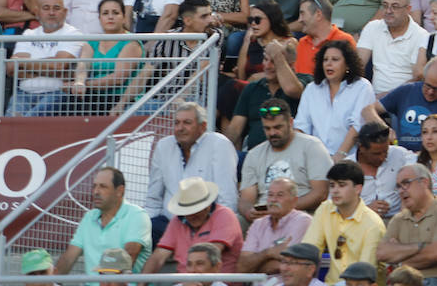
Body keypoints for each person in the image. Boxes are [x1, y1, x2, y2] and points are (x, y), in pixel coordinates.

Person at [144, 101, 238, 237]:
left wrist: (221, 228)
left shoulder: (219, 144)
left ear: (203, 126)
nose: (180, 128)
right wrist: (142, 226)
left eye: (187, 123)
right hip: (170, 224)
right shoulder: (163, 146)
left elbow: (227, 198)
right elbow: (154, 198)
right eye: (177, 123)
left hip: (206, 222)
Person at [55, 166, 152, 280]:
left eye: (103, 187)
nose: (96, 192)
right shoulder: (89, 217)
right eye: (94, 186)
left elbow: (129, 257)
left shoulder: (136, 215)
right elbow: (68, 258)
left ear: (120, 191)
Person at [239, 100, 332, 215]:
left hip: (301, 213)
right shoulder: (254, 154)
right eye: (267, 128)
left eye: (278, 127)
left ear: (291, 122)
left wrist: (283, 210)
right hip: (263, 215)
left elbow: (320, 193)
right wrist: (250, 212)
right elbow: (246, 199)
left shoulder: (311, 146)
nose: (272, 133)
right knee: (237, 221)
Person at [302, 160, 387, 285]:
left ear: (358, 189)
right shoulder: (325, 209)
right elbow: (309, 249)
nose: (335, 191)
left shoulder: (373, 224)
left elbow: (365, 272)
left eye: (341, 185)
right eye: (332, 185)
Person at [142, 176, 243, 275]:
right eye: (187, 211)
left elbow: (210, 255)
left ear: (207, 206)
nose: (191, 215)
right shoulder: (177, 221)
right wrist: (141, 285)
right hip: (183, 284)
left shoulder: (224, 216)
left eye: (195, 210)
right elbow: (159, 256)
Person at [4, 0, 81, 116]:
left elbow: (59, 66)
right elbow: (12, 68)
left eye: (56, 8)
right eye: (46, 8)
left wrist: (24, 63)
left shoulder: (73, 34)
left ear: (65, 12)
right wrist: (50, 67)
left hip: (56, 93)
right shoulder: (29, 34)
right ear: (38, 12)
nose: (51, 13)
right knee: (9, 124)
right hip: (23, 93)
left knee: (26, 123)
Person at [238, 177, 312, 274]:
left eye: (280, 195)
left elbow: (287, 265)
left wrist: (255, 264)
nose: (273, 199)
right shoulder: (258, 224)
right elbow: (242, 267)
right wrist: (268, 253)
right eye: (270, 195)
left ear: (294, 201)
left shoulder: (302, 221)